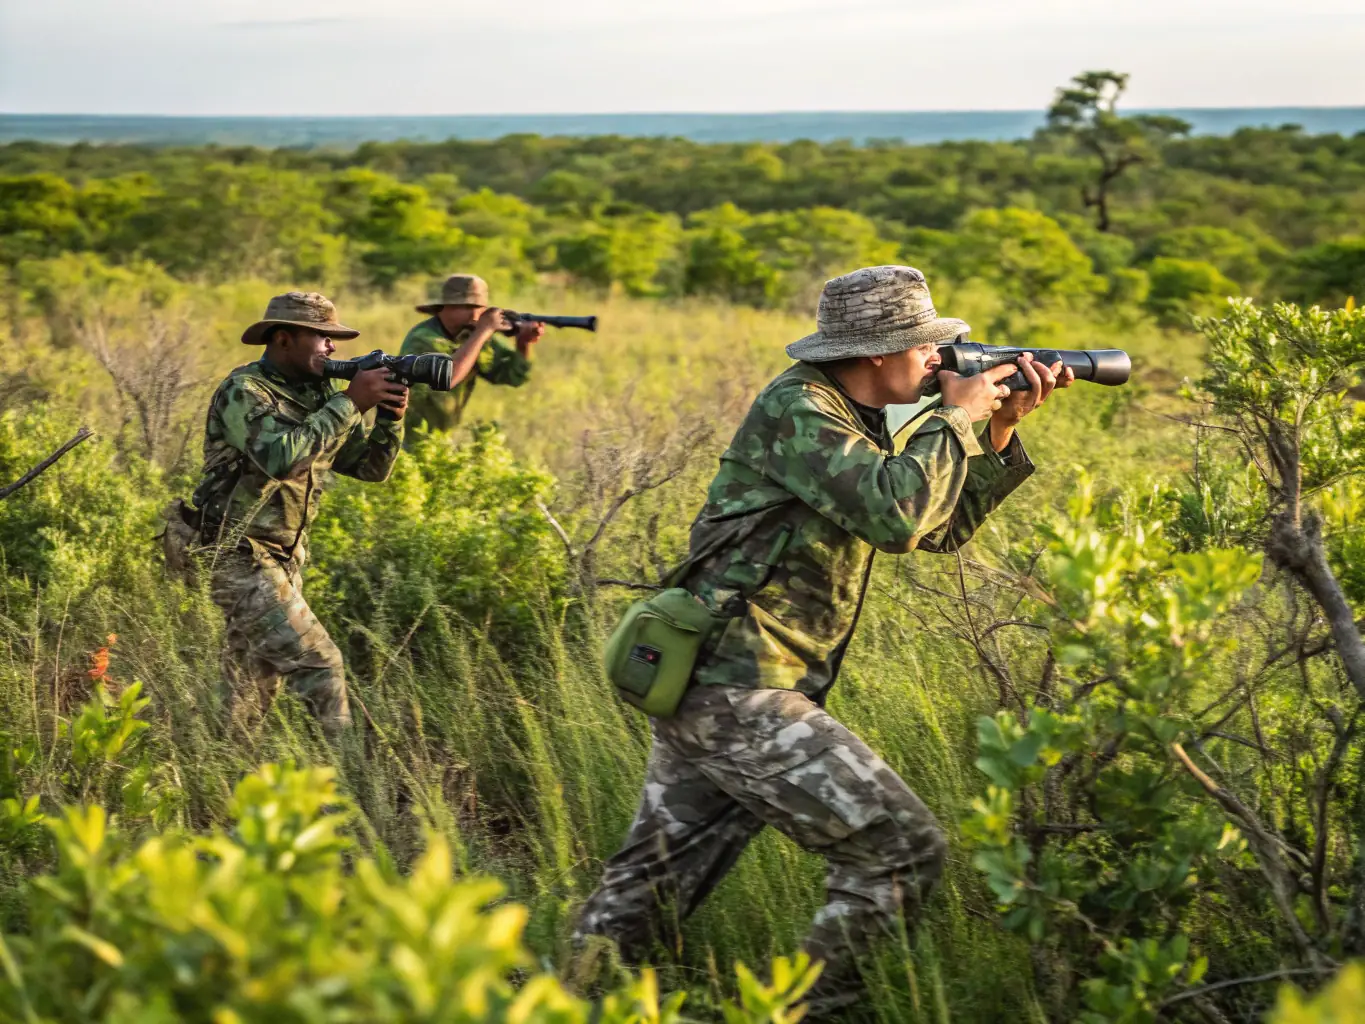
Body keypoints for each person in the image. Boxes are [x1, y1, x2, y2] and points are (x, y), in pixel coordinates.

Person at [573, 265, 1074, 1015]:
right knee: (901, 854)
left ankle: (557, 1000)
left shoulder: (853, 412)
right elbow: (896, 517)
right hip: (738, 686)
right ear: (877, 352)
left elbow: (937, 528)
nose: (939, 362)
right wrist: (956, 419)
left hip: (724, 677)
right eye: (927, 349)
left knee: (648, 887)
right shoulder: (799, 410)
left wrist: (997, 432)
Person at [189, 291, 409, 737]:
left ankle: (220, 776)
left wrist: (389, 417)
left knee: (252, 685)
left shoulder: (319, 394)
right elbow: (277, 458)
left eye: (334, 339)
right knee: (320, 661)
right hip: (236, 553)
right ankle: (354, 787)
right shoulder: (244, 391)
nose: (331, 347)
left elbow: (369, 468)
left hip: (283, 559)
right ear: (284, 339)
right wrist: (350, 403)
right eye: (321, 337)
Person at [398, 273, 546, 434]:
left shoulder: (471, 335)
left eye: (479, 308)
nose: (475, 315)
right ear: (444, 307)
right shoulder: (423, 339)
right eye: (467, 307)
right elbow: (447, 377)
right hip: (413, 436)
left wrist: (523, 343)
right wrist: (484, 331)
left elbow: (512, 377)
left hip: (447, 435)